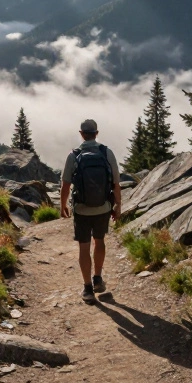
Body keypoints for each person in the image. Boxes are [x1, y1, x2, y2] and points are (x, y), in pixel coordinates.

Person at [60, 118, 122, 303]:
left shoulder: (74, 155)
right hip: (103, 207)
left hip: (82, 209)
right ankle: (98, 278)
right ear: (96, 133)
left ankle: (87, 288)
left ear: (81, 134)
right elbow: (116, 184)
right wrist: (118, 206)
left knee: (84, 246)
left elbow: (65, 185)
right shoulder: (106, 152)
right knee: (100, 241)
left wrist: (62, 205)